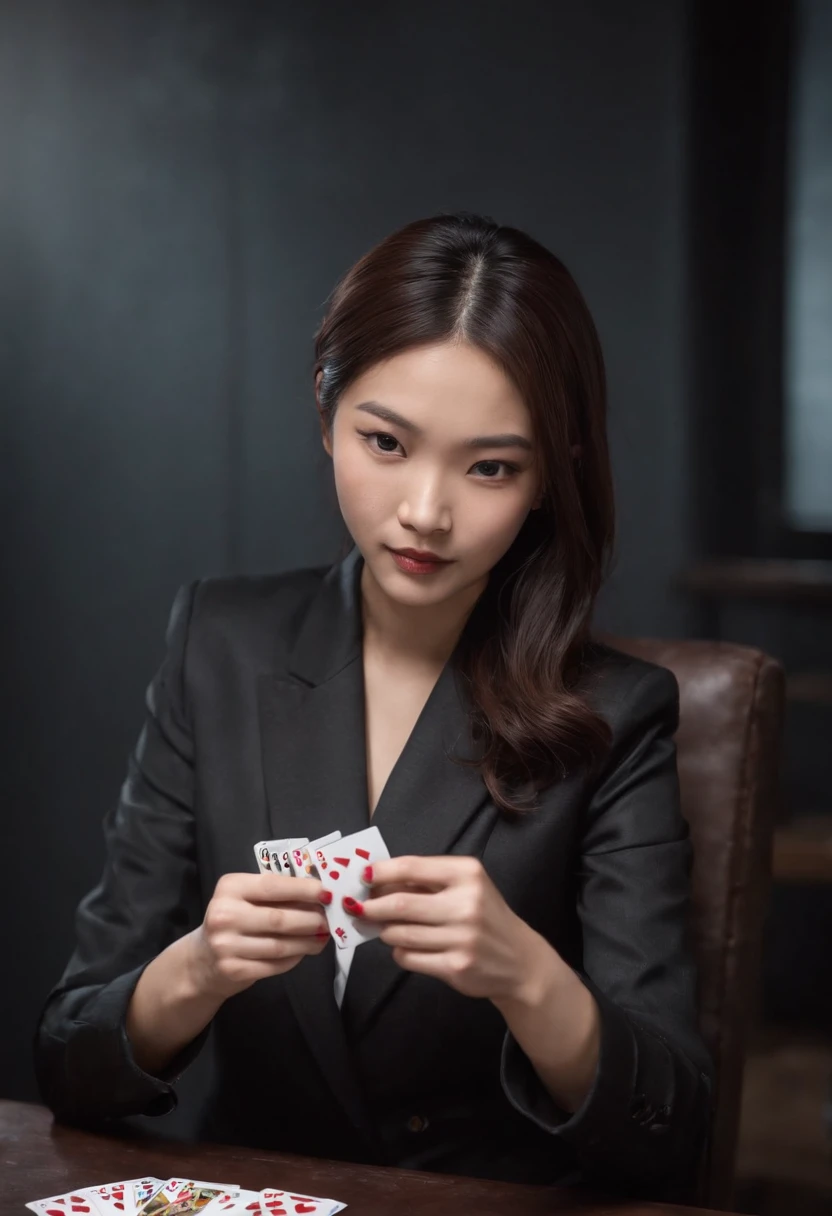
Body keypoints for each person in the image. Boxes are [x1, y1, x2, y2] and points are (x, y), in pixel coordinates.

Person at [33, 211, 713, 1204]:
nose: (426, 511)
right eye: (386, 441)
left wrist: (526, 975)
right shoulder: (217, 644)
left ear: (548, 476)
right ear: (326, 412)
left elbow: (675, 1130)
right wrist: (199, 968)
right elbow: (69, 1060)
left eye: (490, 466)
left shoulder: (618, 711)